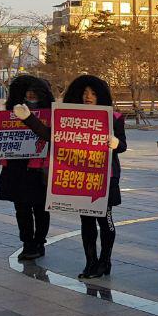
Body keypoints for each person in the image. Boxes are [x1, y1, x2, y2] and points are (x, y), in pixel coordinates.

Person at [60, 76, 126, 280]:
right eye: (85, 92)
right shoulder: (71, 118)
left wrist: (115, 143)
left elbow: (123, 145)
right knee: (86, 221)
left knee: (105, 220)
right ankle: (91, 262)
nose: (88, 96)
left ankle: (105, 261)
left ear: (101, 96)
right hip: (81, 175)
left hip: (106, 176)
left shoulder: (114, 117)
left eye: (93, 93)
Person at [0, 75, 54, 261]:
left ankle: (39, 242)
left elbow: (50, 137)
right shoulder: (12, 110)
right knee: (21, 209)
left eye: (35, 91)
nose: (30, 94)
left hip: (39, 168)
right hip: (16, 166)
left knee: (40, 208)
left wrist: (29, 118)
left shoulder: (51, 114)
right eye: (27, 91)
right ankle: (27, 243)